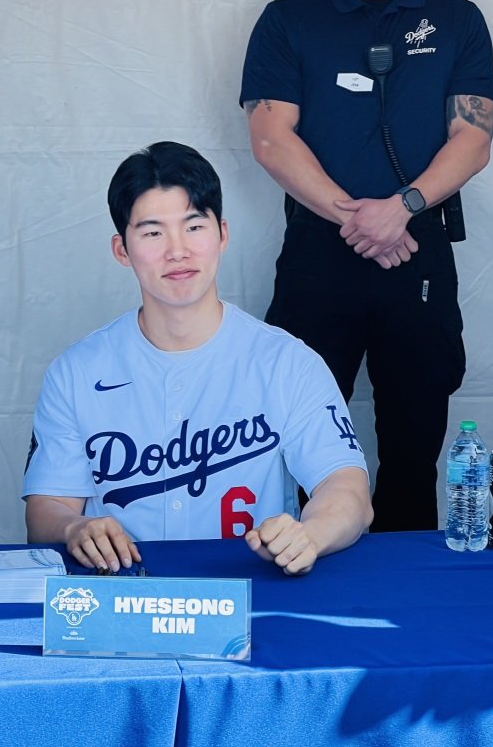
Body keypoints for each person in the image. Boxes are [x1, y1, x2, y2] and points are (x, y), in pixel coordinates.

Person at [240, 0, 493, 532]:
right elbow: (270, 139)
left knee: (414, 442)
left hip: (419, 252)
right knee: (298, 437)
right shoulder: (289, 20)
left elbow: (472, 138)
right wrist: (359, 219)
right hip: (320, 255)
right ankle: (303, 563)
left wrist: (401, 209)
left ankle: (405, 586)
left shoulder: (457, 19)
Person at [22, 141, 372, 576]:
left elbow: (347, 489)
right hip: (122, 591)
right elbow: (47, 508)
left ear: (222, 234)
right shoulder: (76, 371)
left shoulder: (287, 362)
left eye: (193, 226)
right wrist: (74, 527)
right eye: (152, 233)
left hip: (250, 586)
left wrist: (311, 534)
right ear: (121, 250)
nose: (177, 251)